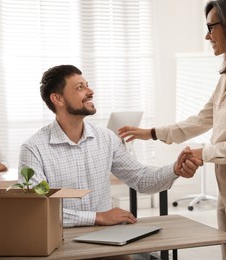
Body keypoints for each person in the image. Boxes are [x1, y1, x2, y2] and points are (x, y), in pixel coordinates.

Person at [118, 0, 226, 259]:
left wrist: (205, 153)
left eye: (210, 28)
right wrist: (150, 133)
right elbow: (201, 120)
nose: (207, 36)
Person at [18, 64, 202, 229]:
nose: (90, 91)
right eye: (80, 88)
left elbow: (141, 179)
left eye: (87, 85)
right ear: (57, 99)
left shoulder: (105, 138)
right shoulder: (34, 148)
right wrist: (96, 217)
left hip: (106, 237)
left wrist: (175, 169)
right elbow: (36, 208)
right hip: (59, 238)